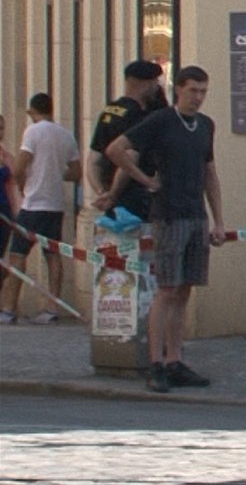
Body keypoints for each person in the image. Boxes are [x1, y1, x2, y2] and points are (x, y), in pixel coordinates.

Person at [98, 67, 226, 392]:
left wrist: (218, 220)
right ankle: (155, 362)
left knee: (185, 289)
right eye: (193, 90)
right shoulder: (161, 121)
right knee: (167, 289)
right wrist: (145, 179)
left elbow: (209, 172)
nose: (198, 97)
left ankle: (175, 359)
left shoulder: (205, 126)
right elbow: (116, 150)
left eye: (203, 91)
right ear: (179, 89)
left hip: (195, 213)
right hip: (169, 214)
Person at [0, 94, 83, 325]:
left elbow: (19, 167)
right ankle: (52, 307)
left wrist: (23, 186)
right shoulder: (66, 134)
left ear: (31, 112)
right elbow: (76, 172)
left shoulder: (33, 132)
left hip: (33, 204)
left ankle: (9, 308)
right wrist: (55, 173)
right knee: (53, 255)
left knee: (17, 255)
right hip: (55, 205)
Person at [85, 60, 166, 231]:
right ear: (145, 84)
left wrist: (101, 191)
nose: (157, 87)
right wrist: (114, 194)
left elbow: (93, 160)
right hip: (136, 201)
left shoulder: (110, 110)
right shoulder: (141, 116)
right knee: (140, 246)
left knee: (112, 246)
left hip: (112, 207)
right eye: (155, 82)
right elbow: (130, 156)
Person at [0, 115, 21, 320]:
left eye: (1, 128)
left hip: (5, 213)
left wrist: (17, 213)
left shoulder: (7, 157)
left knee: (2, 260)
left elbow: (15, 183)